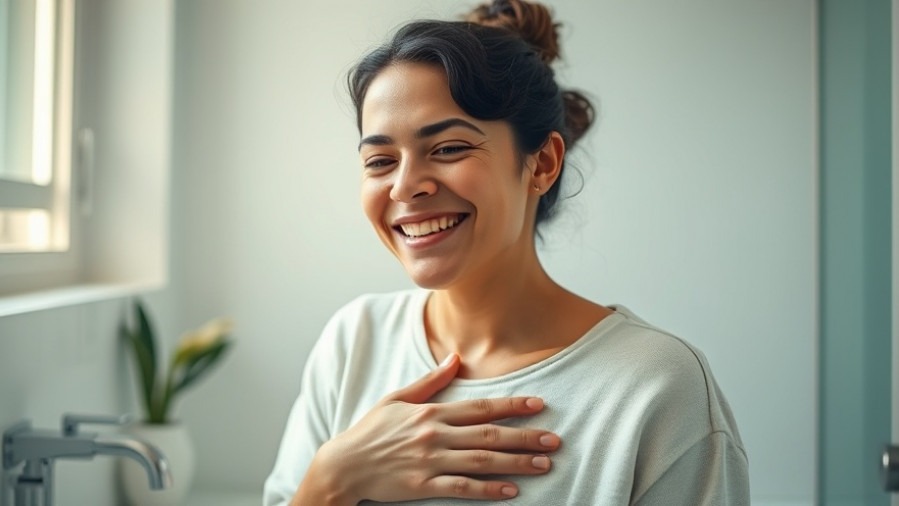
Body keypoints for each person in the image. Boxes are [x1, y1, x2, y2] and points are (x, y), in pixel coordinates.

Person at [263, 1, 749, 504]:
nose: (405, 188)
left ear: (541, 163)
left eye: (449, 148)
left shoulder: (656, 388)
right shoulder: (353, 343)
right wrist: (332, 477)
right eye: (380, 160)